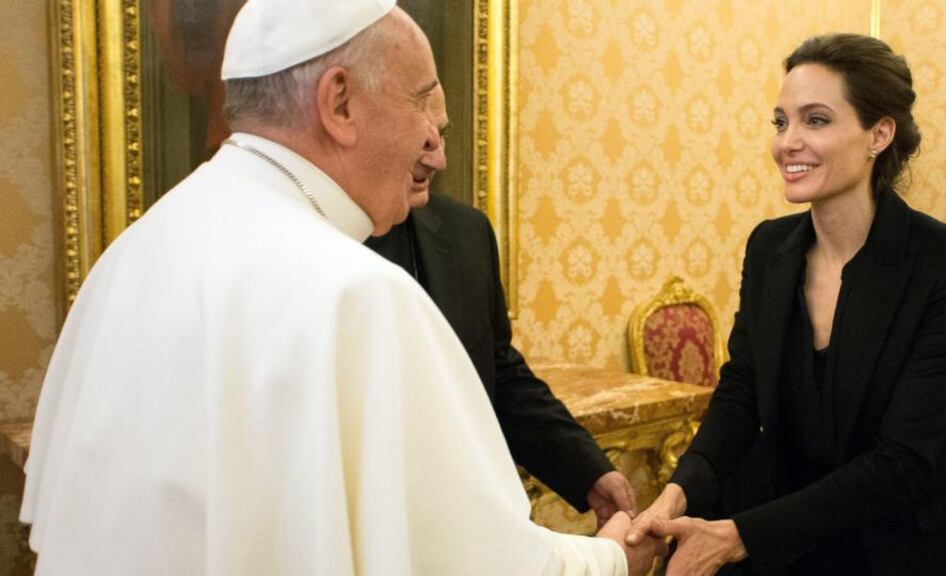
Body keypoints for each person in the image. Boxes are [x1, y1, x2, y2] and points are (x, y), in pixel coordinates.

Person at [20, 1, 665, 573]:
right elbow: (481, 561)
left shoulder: (132, 252)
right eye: (422, 104)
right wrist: (613, 558)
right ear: (340, 104)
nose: (435, 149)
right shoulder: (355, 294)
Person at [626, 33, 946, 575]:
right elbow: (741, 393)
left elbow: (902, 461)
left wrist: (740, 535)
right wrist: (677, 493)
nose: (788, 142)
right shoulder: (769, 248)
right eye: (781, 122)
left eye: (816, 120)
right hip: (800, 537)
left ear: (879, 133)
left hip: (919, 544)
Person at [365, 193, 635, 525]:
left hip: (463, 519)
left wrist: (586, 469)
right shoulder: (304, 236)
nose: (438, 158)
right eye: (423, 141)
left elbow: (499, 371)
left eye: (442, 137)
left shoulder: (465, 229)